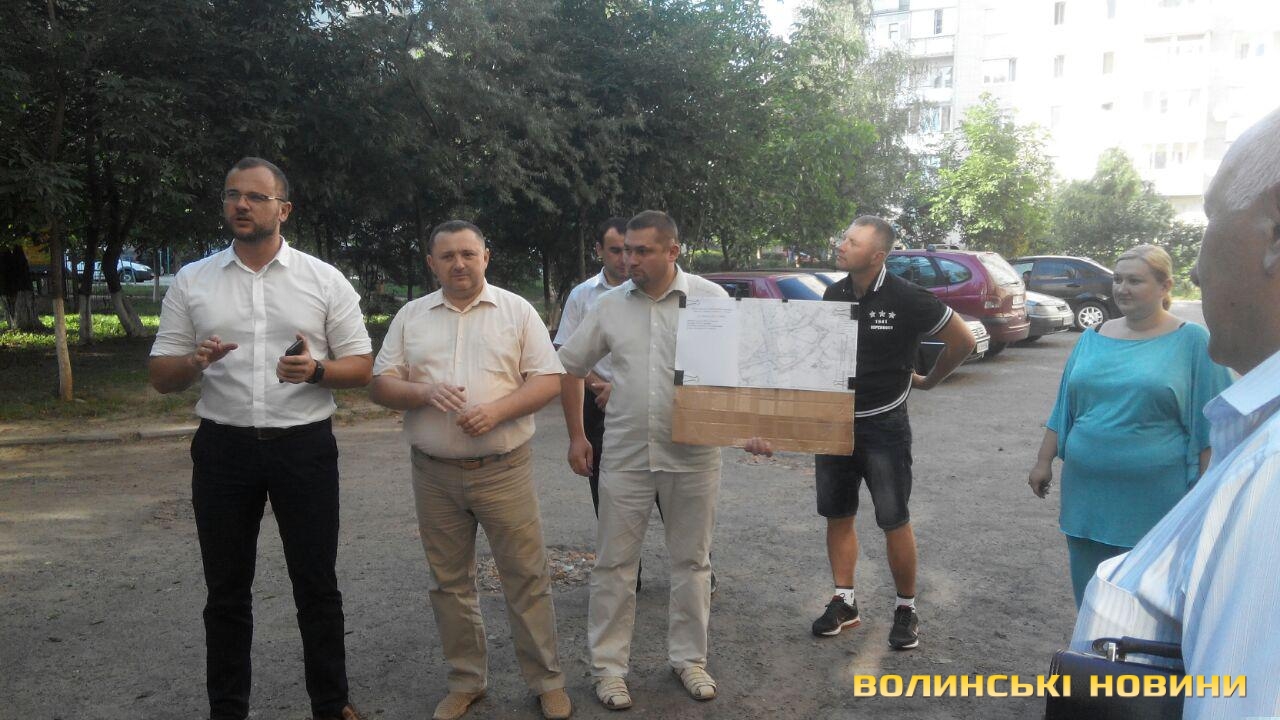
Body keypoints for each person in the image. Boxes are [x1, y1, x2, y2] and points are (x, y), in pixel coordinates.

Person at [1069, 106, 1280, 719]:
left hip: (1147, 496)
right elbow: (1067, 406)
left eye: (1213, 219)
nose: (1196, 267)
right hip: (1087, 498)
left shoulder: (1269, 475)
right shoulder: (1259, 449)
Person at [149, 157, 372, 720]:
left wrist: (316, 371)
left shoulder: (323, 279)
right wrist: (195, 362)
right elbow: (161, 375)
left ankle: (331, 703)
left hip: (303, 447)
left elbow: (363, 366)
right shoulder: (193, 280)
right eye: (232, 195)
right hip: (224, 450)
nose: (241, 205)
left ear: (284, 209)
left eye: (255, 196)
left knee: (316, 583)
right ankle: (227, 709)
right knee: (225, 590)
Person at [368, 220, 571, 720]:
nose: (458, 264)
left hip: (504, 469)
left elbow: (548, 380)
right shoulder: (411, 316)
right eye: (447, 256)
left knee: (525, 577)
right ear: (431, 264)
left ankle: (546, 680)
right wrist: (422, 392)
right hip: (434, 474)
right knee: (449, 582)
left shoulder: (516, 311)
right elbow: (380, 384)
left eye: (467, 253)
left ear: (486, 257)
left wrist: (498, 411)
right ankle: (466, 681)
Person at [557, 210, 728, 710]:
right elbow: (568, 365)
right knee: (613, 566)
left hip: (693, 456)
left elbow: (738, 375)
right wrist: (576, 434)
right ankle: (608, 670)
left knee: (692, 562)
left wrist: (754, 427)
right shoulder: (608, 306)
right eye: (625, 250)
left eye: (641, 251)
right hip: (626, 456)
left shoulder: (712, 301)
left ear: (672, 251)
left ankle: (689, 660)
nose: (629, 260)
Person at [1028, 244, 1231, 607]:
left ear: (1165, 286)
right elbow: (1065, 406)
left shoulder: (1193, 341)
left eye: (1135, 281)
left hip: (1155, 502)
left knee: (1144, 607)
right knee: (1091, 599)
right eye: (1118, 279)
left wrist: (1207, 498)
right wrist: (1043, 461)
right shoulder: (1092, 337)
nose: (1122, 289)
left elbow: (1213, 428)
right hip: (1087, 499)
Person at [808, 216, 974, 649]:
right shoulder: (834, 293)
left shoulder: (908, 297)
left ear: (877, 255)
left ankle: (906, 608)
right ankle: (845, 602)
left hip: (884, 426)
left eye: (852, 242)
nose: (841, 245)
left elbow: (963, 341)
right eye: (844, 238)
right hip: (835, 423)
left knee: (893, 519)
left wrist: (930, 380)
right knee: (837, 515)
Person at [553, 218, 629, 515]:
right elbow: (566, 354)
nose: (624, 259)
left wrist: (624, 389)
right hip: (598, 406)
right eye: (615, 250)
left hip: (651, 406)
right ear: (598, 250)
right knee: (610, 505)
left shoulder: (654, 294)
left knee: (673, 504)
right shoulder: (583, 295)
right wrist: (577, 436)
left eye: (630, 250)